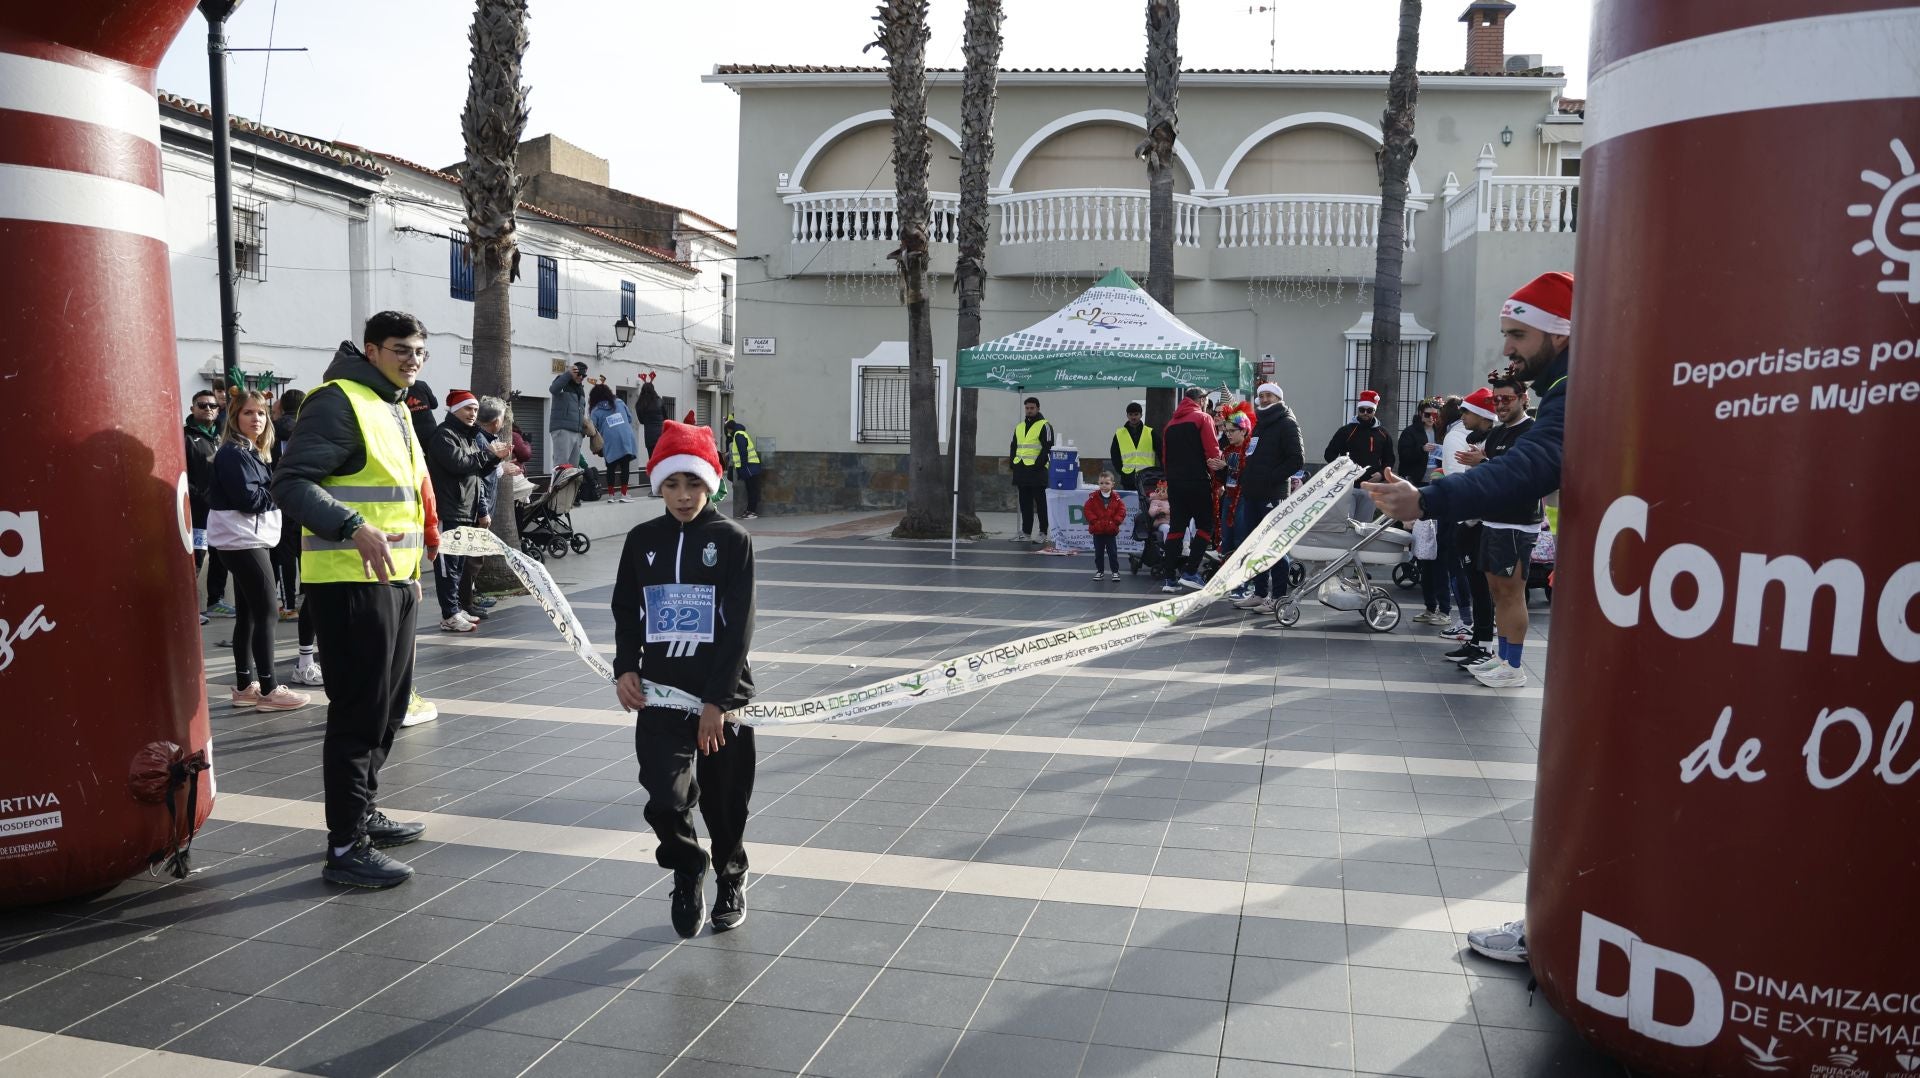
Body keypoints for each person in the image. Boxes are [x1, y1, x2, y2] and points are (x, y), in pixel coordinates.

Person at [1361, 271, 1573, 966]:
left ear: (1560, 332)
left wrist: (1427, 498)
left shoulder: (1575, 389)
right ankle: (1560, 921)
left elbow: (1535, 465)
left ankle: (1561, 926)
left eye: (1518, 334)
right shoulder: (1563, 389)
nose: (1509, 351)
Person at [272, 310, 436, 889]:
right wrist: (350, 526)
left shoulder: (392, 405)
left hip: (395, 581)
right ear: (371, 350)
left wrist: (413, 568)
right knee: (358, 715)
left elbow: (404, 499)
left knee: (389, 711)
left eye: (419, 350)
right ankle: (345, 846)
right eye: (400, 349)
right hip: (348, 584)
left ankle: (363, 811)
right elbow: (289, 483)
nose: (412, 359)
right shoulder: (338, 400)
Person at [611, 418, 758, 938]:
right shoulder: (641, 539)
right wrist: (626, 667)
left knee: (725, 806)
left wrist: (718, 701)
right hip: (661, 695)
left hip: (722, 699)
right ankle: (687, 866)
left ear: (711, 482)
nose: (682, 495)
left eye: (693, 482)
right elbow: (627, 610)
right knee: (665, 798)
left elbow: (739, 628)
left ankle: (731, 879)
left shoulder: (732, 540)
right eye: (671, 483)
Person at [208, 390, 312, 713]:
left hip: (243, 540)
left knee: (250, 614)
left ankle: (244, 685)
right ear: (235, 418)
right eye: (248, 413)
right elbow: (248, 499)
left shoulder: (248, 452)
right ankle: (269, 689)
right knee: (267, 611)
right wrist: (279, 491)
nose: (257, 418)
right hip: (243, 541)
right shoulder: (234, 453)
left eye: (262, 413)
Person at [1462, 376, 1541, 689]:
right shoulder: (1496, 433)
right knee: (1497, 592)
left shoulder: (1532, 431)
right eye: (1496, 400)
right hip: (1493, 521)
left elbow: (1525, 473)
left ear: (1523, 398)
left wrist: (1485, 461)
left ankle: (1514, 665)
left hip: (1517, 522)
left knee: (1512, 593)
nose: (1501, 405)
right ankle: (1504, 657)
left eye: (1507, 399)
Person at [427, 390, 512, 633]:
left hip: (466, 510)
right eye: (467, 409)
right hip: (448, 510)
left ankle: (456, 609)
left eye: (475, 409)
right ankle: (449, 614)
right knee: (447, 566)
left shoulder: (468, 436)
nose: (472, 414)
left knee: (458, 566)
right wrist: (489, 454)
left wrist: (495, 460)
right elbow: (459, 464)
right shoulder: (444, 435)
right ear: (454, 410)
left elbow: (476, 474)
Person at [1233, 382, 1304, 614]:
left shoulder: (1287, 423)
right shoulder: (1260, 424)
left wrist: (1270, 478)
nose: (1263, 399)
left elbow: (1296, 460)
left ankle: (1278, 596)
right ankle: (1260, 593)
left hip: (1272, 495)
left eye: (1269, 396)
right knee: (1255, 545)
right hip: (1253, 493)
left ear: (1278, 398)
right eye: (1261, 395)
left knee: (1274, 546)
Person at [1438, 389, 1498, 663]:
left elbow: (1485, 481)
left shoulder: (1495, 439)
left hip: (1485, 523)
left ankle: (1487, 647)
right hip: (1472, 520)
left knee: (1492, 590)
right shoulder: (1474, 438)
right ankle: (1480, 640)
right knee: (1478, 585)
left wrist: (1467, 519)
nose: (1461, 416)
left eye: (1466, 411)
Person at [1161, 387, 1226, 591]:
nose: (1207, 404)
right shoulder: (1203, 418)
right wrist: (1220, 480)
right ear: (1201, 400)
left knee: (1176, 528)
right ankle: (1190, 572)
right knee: (1206, 526)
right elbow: (1213, 452)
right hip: (1197, 481)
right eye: (1206, 401)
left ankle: (1169, 579)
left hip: (1175, 483)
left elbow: (1165, 458)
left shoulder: (1170, 424)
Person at [1398, 398, 1451, 626]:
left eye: (1435, 415)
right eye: (1428, 414)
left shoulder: (1445, 433)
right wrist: (1421, 450)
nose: (1431, 419)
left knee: (1439, 554)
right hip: (1420, 484)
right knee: (1422, 538)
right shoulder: (1411, 432)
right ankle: (1417, 559)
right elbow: (1404, 456)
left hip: (1441, 488)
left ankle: (1442, 607)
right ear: (1420, 414)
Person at [185, 390, 233, 622]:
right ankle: (189, 607)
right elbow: (182, 475)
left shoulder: (223, 436)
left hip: (221, 510)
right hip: (197, 512)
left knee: (220, 554)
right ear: (192, 408)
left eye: (213, 406)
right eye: (202, 405)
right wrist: (199, 495)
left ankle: (216, 601)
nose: (208, 409)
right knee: (196, 558)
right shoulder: (184, 436)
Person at [1324, 389, 1397, 522]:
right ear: (1357, 410)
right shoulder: (1346, 431)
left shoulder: (1383, 434)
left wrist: (1381, 474)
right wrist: (1344, 470)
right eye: (1362, 410)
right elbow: (1329, 454)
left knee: (1364, 526)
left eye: (1369, 410)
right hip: (1348, 486)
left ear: (1374, 411)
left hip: (1371, 488)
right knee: (1346, 524)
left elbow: (1389, 460)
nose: (1365, 413)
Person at [1008, 396, 1053, 543]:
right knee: (1025, 503)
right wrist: (1013, 464)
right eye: (1027, 408)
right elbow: (1014, 446)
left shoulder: (1045, 425)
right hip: (1021, 469)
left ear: (1038, 408)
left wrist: (1037, 465)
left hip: (1037, 471)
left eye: (1032, 408)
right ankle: (1026, 532)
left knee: (1041, 504)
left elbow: (1047, 448)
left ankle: (1043, 532)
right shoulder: (1020, 426)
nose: (1029, 410)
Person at [590, 385, 641, 503]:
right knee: (625, 466)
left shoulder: (596, 410)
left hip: (609, 440)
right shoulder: (619, 402)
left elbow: (593, 428)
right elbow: (629, 418)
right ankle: (624, 494)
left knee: (610, 467)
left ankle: (611, 495)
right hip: (625, 437)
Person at [1082, 471, 1128, 581]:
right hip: (1098, 531)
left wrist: (1115, 522)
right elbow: (1087, 510)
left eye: (1107, 483)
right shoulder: (1093, 498)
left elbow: (1122, 511)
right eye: (1101, 483)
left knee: (1112, 553)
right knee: (1098, 553)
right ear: (1098, 483)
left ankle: (1115, 572)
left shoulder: (1117, 499)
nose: (1104, 485)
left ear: (1112, 484)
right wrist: (1094, 521)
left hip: (1110, 531)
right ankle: (1100, 571)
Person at [548, 361, 590, 472]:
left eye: (583, 376)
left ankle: (570, 490)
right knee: (561, 465)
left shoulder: (580, 388)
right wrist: (568, 374)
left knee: (573, 469)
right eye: (579, 374)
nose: (581, 377)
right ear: (573, 372)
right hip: (563, 430)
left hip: (577, 433)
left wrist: (582, 430)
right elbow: (553, 389)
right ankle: (558, 489)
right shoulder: (562, 381)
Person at [1108, 402, 1158, 492]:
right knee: (1130, 505)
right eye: (1130, 414)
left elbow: (1161, 451)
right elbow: (1114, 454)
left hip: (1147, 478)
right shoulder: (1119, 433)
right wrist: (1121, 471)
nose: (1133, 417)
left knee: (1146, 505)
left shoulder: (1150, 432)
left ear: (1141, 415)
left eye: (1136, 414)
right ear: (1127, 415)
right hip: (1128, 478)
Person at [723, 415, 764, 519]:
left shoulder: (739, 435)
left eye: (727, 430)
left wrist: (743, 467)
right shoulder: (740, 433)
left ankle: (752, 512)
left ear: (729, 429)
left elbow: (743, 452)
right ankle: (749, 510)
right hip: (751, 466)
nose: (727, 433)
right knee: (750, 490)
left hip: (750, 466)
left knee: (752, 490)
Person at [403, 379, 439, 453]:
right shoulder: (422, 385)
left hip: (412, 432)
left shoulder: (399, 388)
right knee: (433, 457)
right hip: (430, 430)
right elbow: (435, 404)